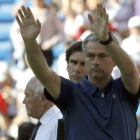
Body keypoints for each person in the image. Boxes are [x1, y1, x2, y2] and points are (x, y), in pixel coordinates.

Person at [16, 3, 140, 140]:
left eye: (103, 56)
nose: (96, 61)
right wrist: (30, 42)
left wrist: (106, 40)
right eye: (90, 56)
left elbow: (131, 72)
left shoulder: (124, 89)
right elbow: (42, 72)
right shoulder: (71, 92)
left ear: (115, 60)